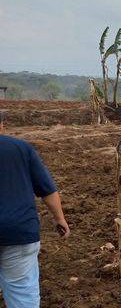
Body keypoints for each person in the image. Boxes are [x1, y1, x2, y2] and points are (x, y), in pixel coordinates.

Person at [0, 111, 70, 307]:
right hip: (20, 232)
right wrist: (60, 219)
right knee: (22, 296)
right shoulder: (21, 149)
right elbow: (48, 191)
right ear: (2, 125)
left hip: (19, 233)